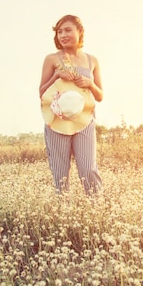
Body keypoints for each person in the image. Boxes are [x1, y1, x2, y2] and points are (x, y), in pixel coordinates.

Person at [39, 15, 103, 194]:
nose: (62, 35)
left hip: (84, 120)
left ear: (80, 32)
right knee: (60, 171)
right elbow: (41, 93)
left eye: (67, 30)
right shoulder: (52, 59)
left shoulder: (92, 60)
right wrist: (57, 76)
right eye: (59, 32)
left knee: (88, 168)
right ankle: (63, 209)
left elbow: (100, 96)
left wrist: (90, 84)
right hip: (58, 120)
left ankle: (96, 209)